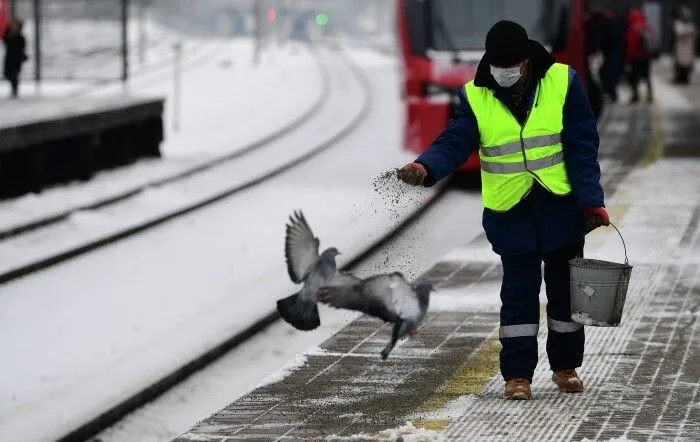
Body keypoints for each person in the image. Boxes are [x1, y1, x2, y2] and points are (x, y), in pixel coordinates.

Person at [396, 20, 609, 400]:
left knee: (566, 296)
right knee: (518, 296)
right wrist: (425, 167)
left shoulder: (563, 82)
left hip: (559, 205)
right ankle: (517, 376)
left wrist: (592, 201)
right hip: (511, 211)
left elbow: (581, 146)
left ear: (526, 61)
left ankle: (565, 367)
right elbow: (454, 141)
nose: (503, 73)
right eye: (497, 65)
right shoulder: (476, 95)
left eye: (510, 65)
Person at [625, 8, 656, 103]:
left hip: (636, 58)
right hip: (646, 58)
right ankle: (650, 96)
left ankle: (635, 96)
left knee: (633, 78)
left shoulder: (633, 28)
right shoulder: (646, 27)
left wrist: (628, 58)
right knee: (647, 77)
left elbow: (631, 45)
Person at [2, 18, 28, 99]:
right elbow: (4, 39)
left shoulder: (21, 38)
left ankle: (15, 90)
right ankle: (13, 90)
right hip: (9, 59)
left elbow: (21, 49)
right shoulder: (9, 36)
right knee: (8, 75)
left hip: (16, 60)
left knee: (14, 75)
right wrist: (7, 28)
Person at [672, 6, 697, 85]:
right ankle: (679, 78)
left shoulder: (690, 26)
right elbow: (679, 32)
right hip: (680, 49)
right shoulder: (679, 25)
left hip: (688, 49)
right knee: (679, 65)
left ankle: (685, 78)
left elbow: (693, 33)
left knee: (687, 65)